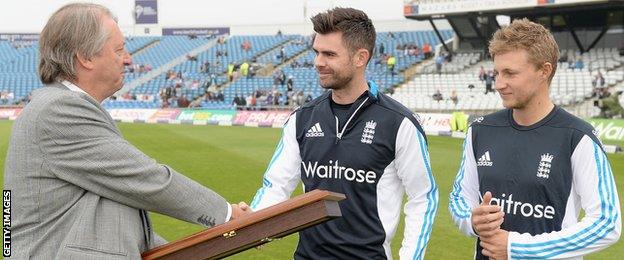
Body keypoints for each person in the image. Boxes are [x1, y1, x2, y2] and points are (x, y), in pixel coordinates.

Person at [3, 4, 251, 259]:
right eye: (119, 49)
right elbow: (145, 179)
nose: (129, 58)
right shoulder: (60, 109)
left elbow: (112, 209)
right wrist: (228, 215)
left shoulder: (59, 104)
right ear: (85, 58)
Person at [250, 7, 437, 259]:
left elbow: (423, 197)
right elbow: (276, 186)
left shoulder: (399, 123)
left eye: (329, 54)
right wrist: (252, 224)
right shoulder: (302, 118)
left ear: (360, 58)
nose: (318, 62)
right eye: (316, 52)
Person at [449, 18, 621, 260]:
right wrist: (472, 219)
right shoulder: (480, 130)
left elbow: (606, 224)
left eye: (510, 73)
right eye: (496, 72)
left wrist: (517, 248)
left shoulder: (578, 137)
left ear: (544, 70)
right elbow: (459, 197)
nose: (498, 84)